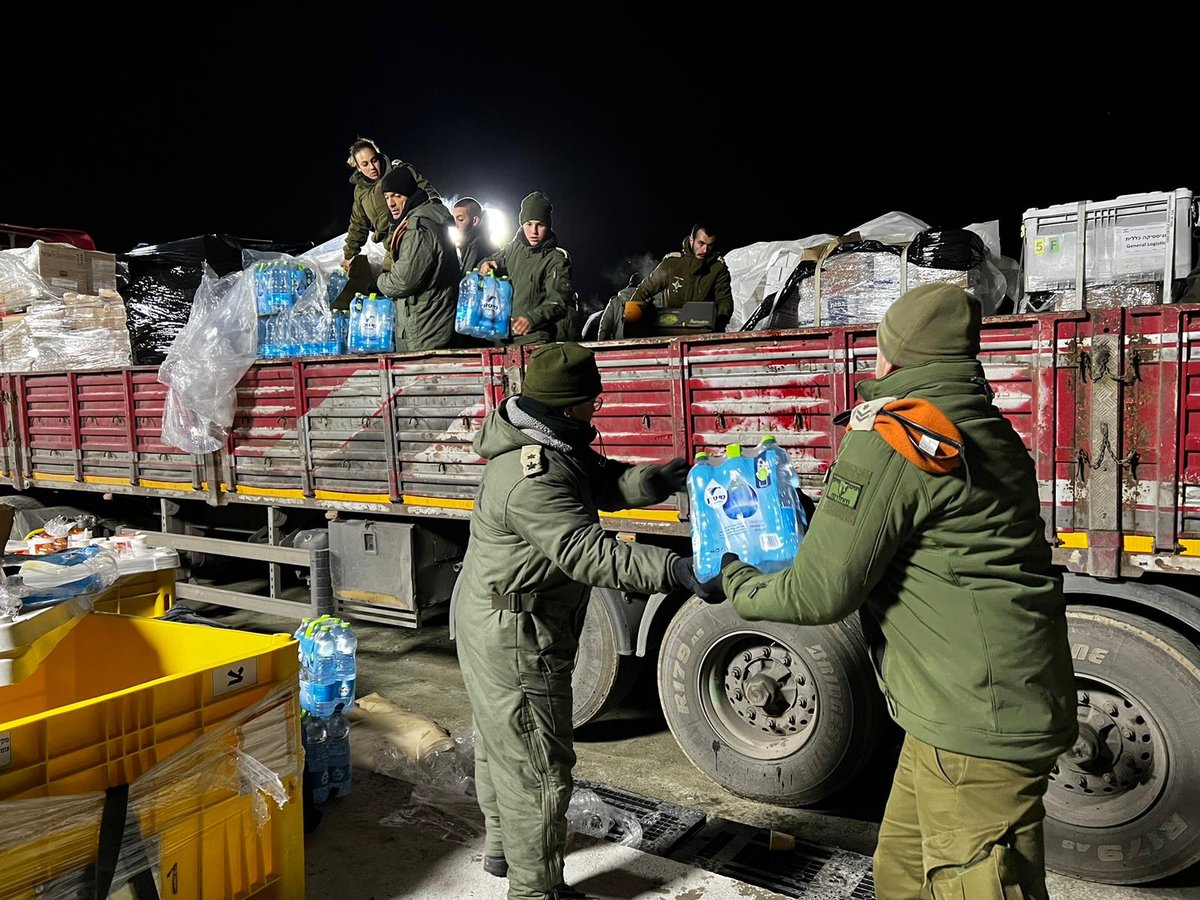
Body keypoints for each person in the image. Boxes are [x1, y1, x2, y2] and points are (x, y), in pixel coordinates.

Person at [709, 283, 1078, 899]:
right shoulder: (982, 427)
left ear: (895, 357)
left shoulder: (895, 433)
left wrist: (734, 576)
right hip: (974, 704)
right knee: (903, 874)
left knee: (974, 885)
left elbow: (818, 594)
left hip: (972, 721)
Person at [453, 342, 716, 900]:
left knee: (504, 745)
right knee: (538, 766)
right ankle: (534, 889)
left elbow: (601, 484)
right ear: (571, 406)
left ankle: (505, 851)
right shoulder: (534, 474)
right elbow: (587, 552)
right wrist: (674, 568)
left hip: (494, 617)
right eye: (592, 401)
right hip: (515, 633)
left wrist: (654, 482)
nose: (597, 409)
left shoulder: (547, 441)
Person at [375, 167, 459, 352]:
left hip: (425, 330)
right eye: (387, 197)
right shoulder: (425, 220)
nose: (391, 203)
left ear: (410, 194)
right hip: (426, 325)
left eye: (396, 195)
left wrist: (379, 281)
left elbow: (404, 281)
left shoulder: (418, 228)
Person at [479, 191, 573, 345]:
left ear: (548, 226)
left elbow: (559, 302)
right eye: (529, 224)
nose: (533, 231)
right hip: (501, 340)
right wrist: (485, 263)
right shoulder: (511, 250)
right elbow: (490, 261)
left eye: (540, 225)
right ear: (522, 224)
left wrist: (532, 318)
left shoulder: (556, 260)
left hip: (535, 340)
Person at [341, 137, 438, 272]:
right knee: (387, 284)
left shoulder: (398, 172)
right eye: (365, 164)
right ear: (357, 167)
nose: (372, 167)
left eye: (374, 160)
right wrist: (349, 255)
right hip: (391, 246)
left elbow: (429, 194)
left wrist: (440, 219)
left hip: (413, 237)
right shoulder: (360, 192)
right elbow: (358, 223)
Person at [627, 223, 733, 332]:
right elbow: (644, 290)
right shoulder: (672, 264)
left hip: (703, 332)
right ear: (691, 240)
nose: (705, 250)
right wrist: (631, 321)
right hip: (670, 331)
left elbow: (724, 301)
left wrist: (719, 324)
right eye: (701, 243)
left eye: (710, 245)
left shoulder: (718, 268)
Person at [452, 196, 494, 275]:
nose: (455, 225)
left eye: (460, 219)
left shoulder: (484, 247)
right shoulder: (462, 244)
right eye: (453, 220)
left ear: (475, 221)